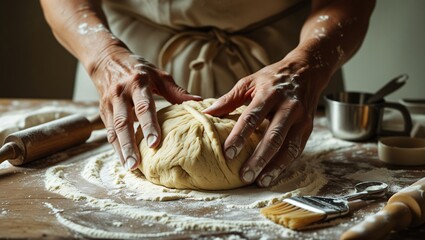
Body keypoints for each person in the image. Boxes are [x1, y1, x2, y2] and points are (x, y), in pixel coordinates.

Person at [40, 0, 375, 187]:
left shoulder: (300, 67)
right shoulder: (109, 60)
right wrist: (103, 58)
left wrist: (307, 64)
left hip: (288, 67)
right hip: (124, 64)